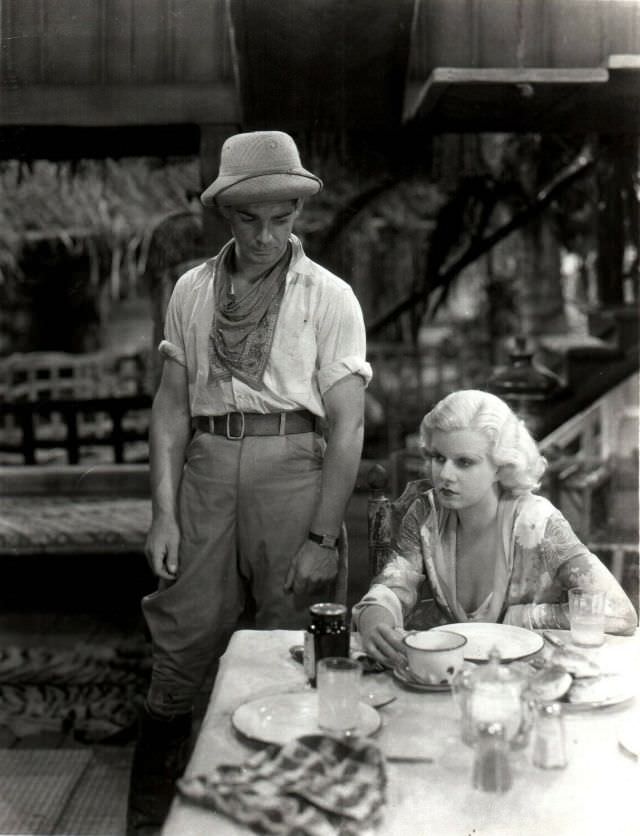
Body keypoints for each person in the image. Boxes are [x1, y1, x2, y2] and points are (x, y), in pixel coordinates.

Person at [127, 130, 371, 834]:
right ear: (225, 216)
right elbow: (171, 408)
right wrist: (163, 513)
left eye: (282, 219)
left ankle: (286, 820)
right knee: (181, 641)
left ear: (298, 213)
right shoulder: (192, 291)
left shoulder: (327, 296)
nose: (266, 236)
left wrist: (324, 534)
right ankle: (151, 823)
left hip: (294, 467)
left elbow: (348, 427)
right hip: (207, 466)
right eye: (248, 219)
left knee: (291, 641)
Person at [353, 389, 637, 668]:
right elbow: (394, 585)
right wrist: (374, 618)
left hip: (524, 685)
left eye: (464, 462)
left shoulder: (537, 521)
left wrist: (527, 618)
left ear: (501, 466)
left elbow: (620, 613)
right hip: (451, 681)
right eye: (439, 458)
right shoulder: (426, 514)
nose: (445, 475)